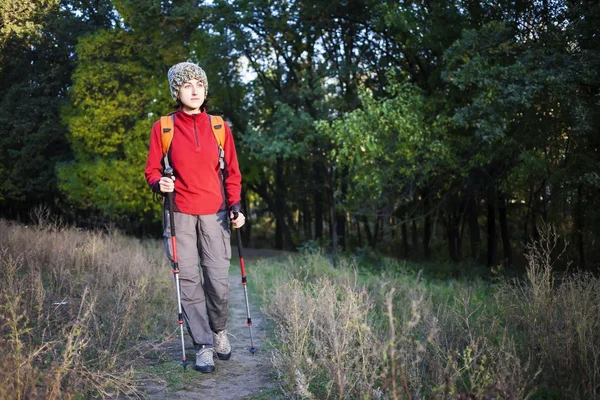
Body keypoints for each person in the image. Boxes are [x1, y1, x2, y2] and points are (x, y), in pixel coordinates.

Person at [144, 61, 245, 373]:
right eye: (187, 85)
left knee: (217, 280)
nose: (194, 90)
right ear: (177, 91)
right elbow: (152, 170)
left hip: (215, 214)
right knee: (188, 281)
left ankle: (218, 332)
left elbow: (232, 173)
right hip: (179, 215)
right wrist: (159, 182)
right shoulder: (164, 127)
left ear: (205, 89)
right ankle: (202, 346)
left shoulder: (219, 127)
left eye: (199, 85)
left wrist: (236, 207)